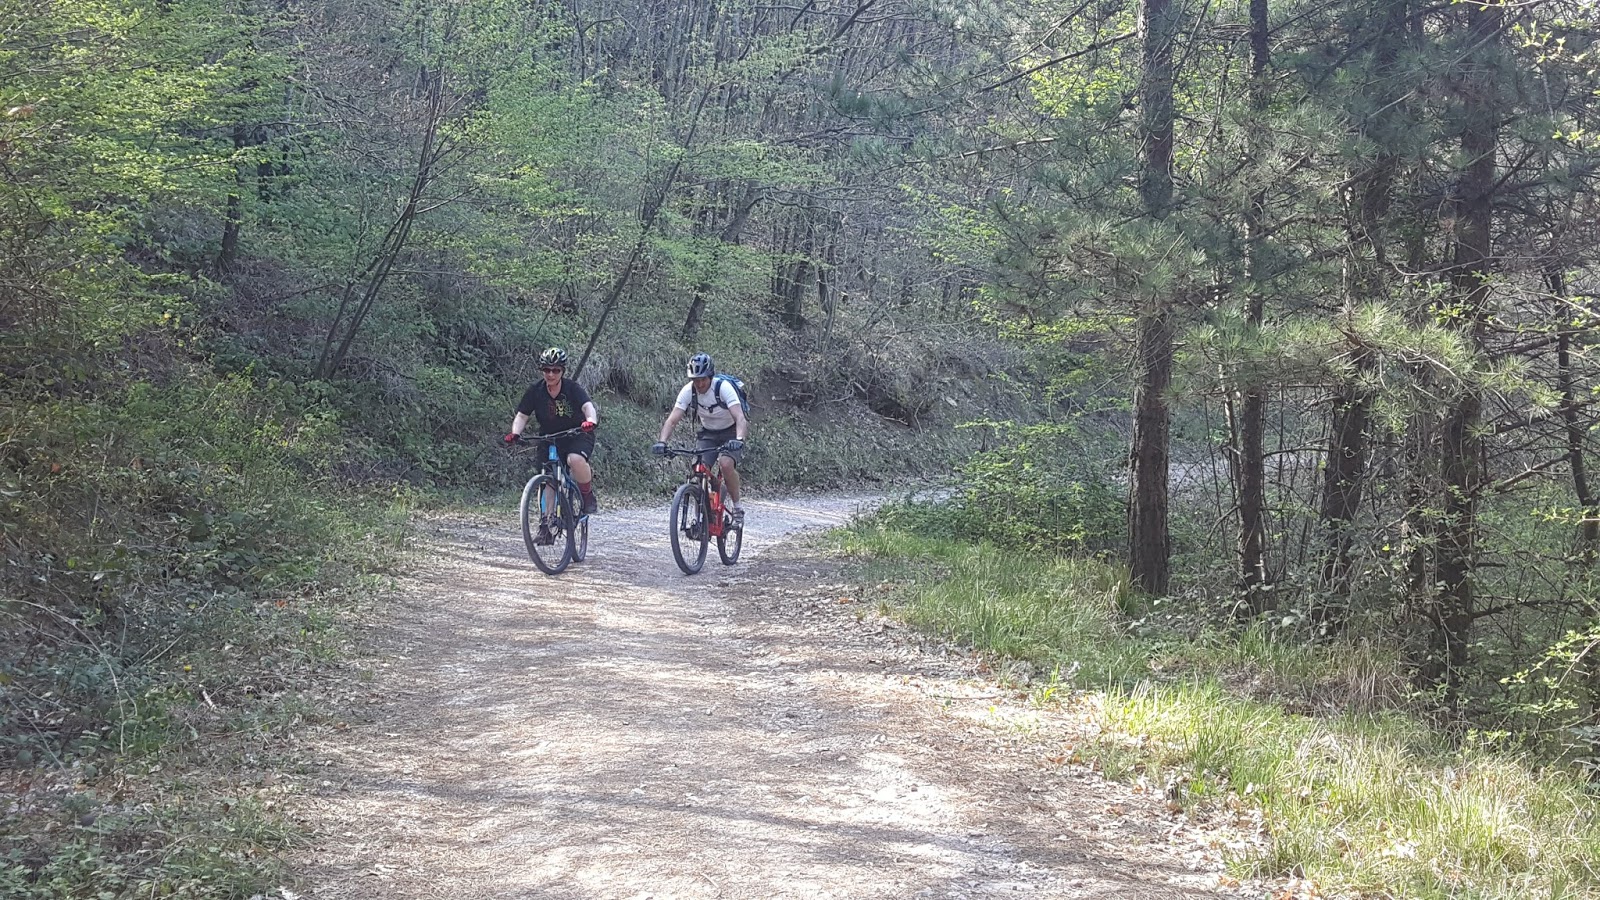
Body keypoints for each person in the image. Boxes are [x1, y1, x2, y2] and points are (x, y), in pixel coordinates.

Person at [652, 352, 748, 525]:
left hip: (731, 432)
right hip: (708, 433)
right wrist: (662, 442)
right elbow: (672, 420)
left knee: (726, 464)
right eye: (696, 380)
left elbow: (740, 418)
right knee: (699, 469)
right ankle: (702, 514)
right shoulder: (688, 391)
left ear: (710, 376)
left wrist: (739, 439)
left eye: (703, 379)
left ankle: (737, 507)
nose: (700, 384)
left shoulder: (723, 388)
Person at [504, 347, 600, 518]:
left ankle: (587, 496)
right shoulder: (535, 391)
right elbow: (522, 415)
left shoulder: (572, 388)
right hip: (549, 437)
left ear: (562, 371)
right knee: (547, 476)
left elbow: (587, 406)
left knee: (575, 459)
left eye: (556, 370)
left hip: (577, 433)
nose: (550, 374)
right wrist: (515, 433)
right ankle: (546, 522)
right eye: (546, 369)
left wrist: (590, 421)